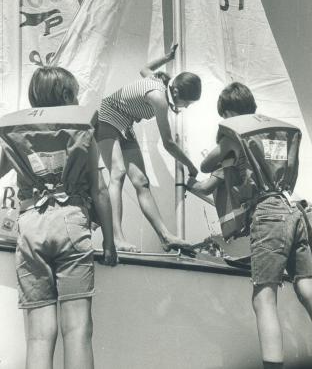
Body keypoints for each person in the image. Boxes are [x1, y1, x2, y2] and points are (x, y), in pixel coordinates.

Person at [188, 82, 312, 369]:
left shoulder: (232, 137)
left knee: (263, 299)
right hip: (293, 210)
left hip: (266, 214)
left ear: (227, 111)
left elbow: (205, 166)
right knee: (310, 292)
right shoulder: (273, 134)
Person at [0, 66, 117, 369]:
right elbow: (100, 190)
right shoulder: (81, 129)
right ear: (67, 95)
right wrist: (110, 243)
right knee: (77, 329)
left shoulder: (14, 132)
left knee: (38, 337)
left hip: (30, 225)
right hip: (71, 222)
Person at [97, 44, 201, 253]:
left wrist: (166, 57)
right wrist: (191, 166)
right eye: (187, 103)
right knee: (117, 173)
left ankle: (165, 237)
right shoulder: (158, 98)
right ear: (177, 91)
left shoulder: (158, 82)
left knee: (142, 182)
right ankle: (117, 237)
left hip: (125, 124)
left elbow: (144, 68)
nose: (186, 107)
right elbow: (168, 143)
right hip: (107, 117)